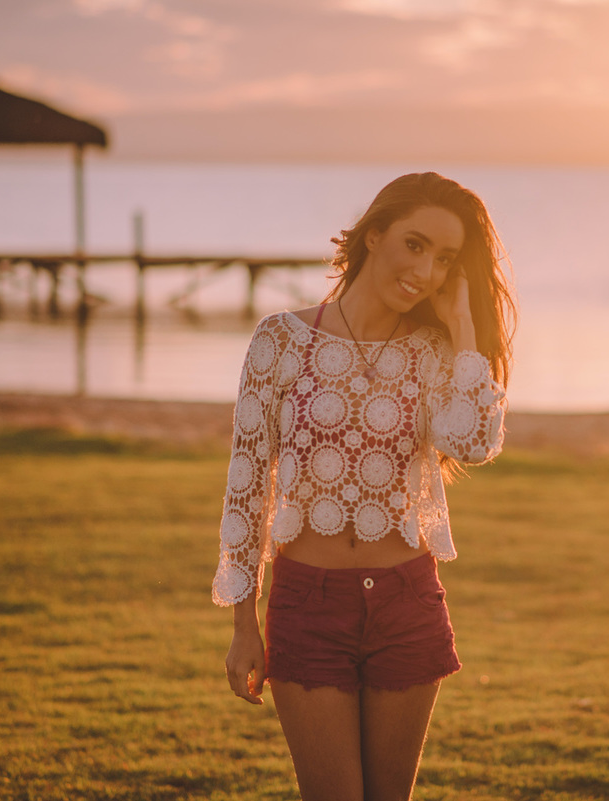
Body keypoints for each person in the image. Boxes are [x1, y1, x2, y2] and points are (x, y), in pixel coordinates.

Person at [212, 172, 516, 801]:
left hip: (407, 605)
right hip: (307, 607)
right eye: (415, 245)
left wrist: (462, 327)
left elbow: (474, 442)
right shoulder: (280, 341)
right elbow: (247, 487)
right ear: (374, 235)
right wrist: (244, 623)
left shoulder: (433, 353)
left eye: (445, 259)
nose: (426, 271)